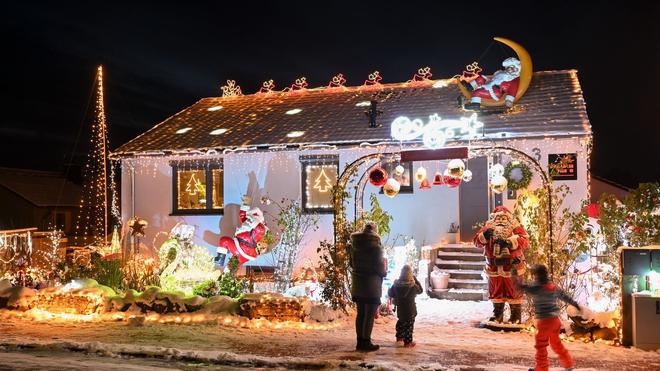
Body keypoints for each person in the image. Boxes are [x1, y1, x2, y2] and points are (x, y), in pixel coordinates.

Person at [516, 264, 580, 371]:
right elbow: (564, 296)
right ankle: (568, 365)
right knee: (556, 344)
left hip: (544, 322)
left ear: (537, 275)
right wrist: (575, 304)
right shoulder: (553, 287)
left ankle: (541, 368)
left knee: (541, 346)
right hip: (555, 321)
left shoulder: (536, 287)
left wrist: (516, 279)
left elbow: (524, 287)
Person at [474, 206, 529, 324]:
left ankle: (515, 316)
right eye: (498, 217)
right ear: (493, 218)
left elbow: (525, 240)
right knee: (496, 291)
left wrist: (510, 242)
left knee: (514, 290)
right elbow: (476, 242)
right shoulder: (488, 228)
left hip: (511, 266)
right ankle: (497, 315)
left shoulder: (515, 227)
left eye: (504, 217)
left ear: (508, 218)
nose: (500, 220)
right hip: (494, 267)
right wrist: (484, 236)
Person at [350, 222, 387, 352]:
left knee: (360, 314)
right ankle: (366, 341)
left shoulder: (354, 246)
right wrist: (384, 272)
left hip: (358, 284)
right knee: (369, 314)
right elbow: (380, 269)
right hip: (372, 286)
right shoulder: (377, 248)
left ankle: (360, 341)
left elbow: (351, 264)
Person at [387, 265, 423, 348]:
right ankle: (408, 342)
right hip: (410, 310)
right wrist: (416, 280)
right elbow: (420, 290)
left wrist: (390, 289)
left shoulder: (396, 285)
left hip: (401, 310)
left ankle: (399, 338)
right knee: (409, 327)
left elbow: (390, 293)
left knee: (401, 322)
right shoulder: (413, 286)